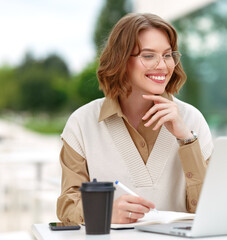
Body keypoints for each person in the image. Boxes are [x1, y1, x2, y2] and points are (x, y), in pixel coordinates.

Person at [56, 13, 213, 224]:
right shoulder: (82, 123)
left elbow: (210, 209)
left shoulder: (192, 120)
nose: (162, 66)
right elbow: (67, 205)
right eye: (148, 56)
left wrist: (186, 139)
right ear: (121, 60)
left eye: (167, 55)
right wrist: (105, 211)